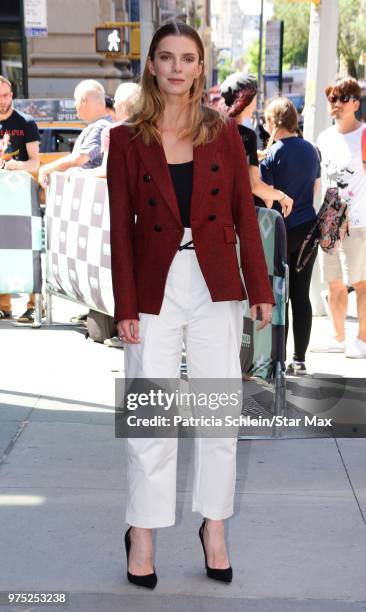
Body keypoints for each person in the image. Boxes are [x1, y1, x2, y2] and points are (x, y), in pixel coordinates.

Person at [107, 20, 274, 589]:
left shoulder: (224, 134)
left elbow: (242, 217)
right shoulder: (125, 140)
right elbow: (119, 231)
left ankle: (215, 527)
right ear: (151, 65)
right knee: (150, 413)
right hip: (154, 288)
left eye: (188, 58)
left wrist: (262, 288)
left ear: (201, 66)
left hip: (214, 285)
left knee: (217, 416)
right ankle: (144, 533)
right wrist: (124, 303)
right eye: (166, 57)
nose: (177, 67)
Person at [260, 97, 321, 375]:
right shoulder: (311, 150)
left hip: (282, 230)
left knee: (279, 296)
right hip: (309, 228)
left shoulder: (273, 154)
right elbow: (316, 190)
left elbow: (269, 202)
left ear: (273, 123)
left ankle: (279, 360)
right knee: (301, 294)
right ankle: (300, 359)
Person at [312, 77, 366, 358]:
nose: (335, 104)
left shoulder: (364, 135)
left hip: (358, 220)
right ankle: (338, 335)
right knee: (332, 281)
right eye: (332, 98)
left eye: (342, 98)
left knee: (360, 282)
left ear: (356, 103)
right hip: (331, 219)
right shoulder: (324, 137)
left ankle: (362, 339)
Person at [220, 72, 293, 216]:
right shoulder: (247, 136)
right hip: (237, 216)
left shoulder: (214, 130)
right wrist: (282, 196)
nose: (256, 103)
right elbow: (254, 185)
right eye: (255, 98)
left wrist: (252, 157)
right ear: (246, 100)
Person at [0, 75, 41, 323]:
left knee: (27, 250)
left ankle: (32, 305)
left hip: (22, 201)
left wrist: (18, 166)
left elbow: (35, 163)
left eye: (5, 95)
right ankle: (3, 304)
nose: (2, 101)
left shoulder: (25, 122)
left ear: (12, 95)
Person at [38, 79, 112, 187]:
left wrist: (45, 169)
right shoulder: (104, 124)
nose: (74, 104)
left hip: (92, 197)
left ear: (83, 100)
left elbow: (79, 159)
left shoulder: (101, 126)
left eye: (75, 99)